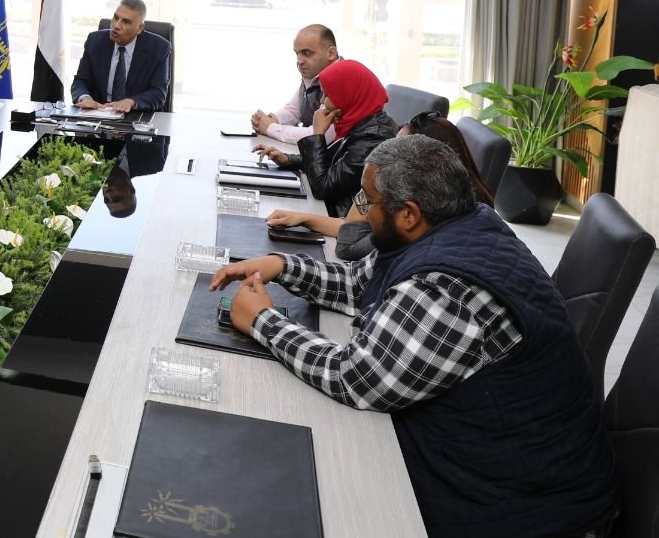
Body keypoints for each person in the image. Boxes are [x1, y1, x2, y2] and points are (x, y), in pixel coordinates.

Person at [211, 136, 616, 538]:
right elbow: (358, 284)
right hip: (493, 453)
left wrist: (263, 321)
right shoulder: (460, 224)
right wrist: (282, 265)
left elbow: (356, 378)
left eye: (368, 201)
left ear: (408, 214)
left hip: (521, 503)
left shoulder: (446, 288)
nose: (361, 211)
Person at [269, 112, 496, 259]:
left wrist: (368, 185)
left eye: (397, 148)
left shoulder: (428, 217)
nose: (389, 153)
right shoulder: (452, 198)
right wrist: (305, 219)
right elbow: (357, 229)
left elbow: (349, 246)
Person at [253, 58, 396, 217]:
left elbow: (323, 188)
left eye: (327, 95)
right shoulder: (362, 121)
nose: (322, 102)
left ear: (348, 94)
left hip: (338, 219)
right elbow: (333, 161)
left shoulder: (372, 138)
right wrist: (289, 160)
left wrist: (318, 133)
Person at [70, 0, 171, 113]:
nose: (116, 25)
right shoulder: (95, 41)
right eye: (116, 18)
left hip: (136, 115)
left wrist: (131, 102)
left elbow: (158, 93)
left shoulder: (158, 48)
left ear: (139, 28)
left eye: (126, 22)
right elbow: (81, 81)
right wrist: (85, 98)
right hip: (99, 112)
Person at [251, 24, 339, 143]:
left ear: (331, 53)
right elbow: (293, 111)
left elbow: (321, 135)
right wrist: (267, 120)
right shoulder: (314, 75)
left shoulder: (341, 79)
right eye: (297, 54)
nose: (299, 61)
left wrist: (270, 128)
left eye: (307, 53)